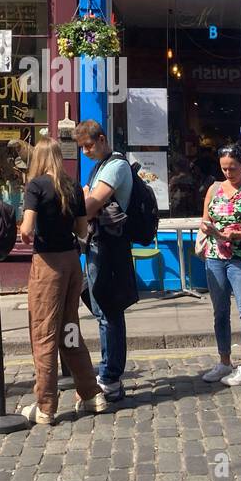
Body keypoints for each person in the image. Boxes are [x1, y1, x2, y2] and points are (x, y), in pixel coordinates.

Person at [17, 137, 110, 424]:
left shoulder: (35, 186)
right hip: (72, 261)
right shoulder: (72, 187)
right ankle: (92, 394)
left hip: (48, 264)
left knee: (43, 333)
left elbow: (28, 230)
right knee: (69, 327)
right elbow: (82, 231)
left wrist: (21, 225)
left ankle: (45, 405)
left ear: (39, 159)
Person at [75, 119, 139, 403]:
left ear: (101, 139)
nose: (85, 151)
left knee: (109, 312)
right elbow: (86, 198)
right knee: (102, 309)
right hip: (97, 245)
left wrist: (83, 202)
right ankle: (109, 374)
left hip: (111, 247)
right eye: (82, 148)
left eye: (88, 145)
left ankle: (110, 377)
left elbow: (89, 204)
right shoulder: (98, 167)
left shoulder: (115, 166)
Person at [197, 146, 241, 387]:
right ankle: (224, 361)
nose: (228, 172)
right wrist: (208, 228)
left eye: (233, 168)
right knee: (220, 311)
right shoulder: (214, 189)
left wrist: (237, 235)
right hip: (215, 255)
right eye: (224, 168)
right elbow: (205, 219)